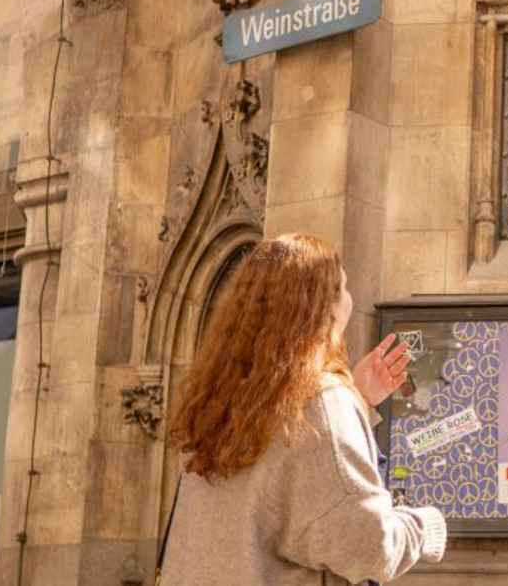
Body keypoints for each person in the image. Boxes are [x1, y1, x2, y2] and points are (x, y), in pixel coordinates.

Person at [159, 233, 448, 585]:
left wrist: (357, 400)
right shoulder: (320, 403)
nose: (350, 299)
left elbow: (284, 497)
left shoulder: (221, 400)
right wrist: (427, 527)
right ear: (322, 308)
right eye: (343, 287)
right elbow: (371, 549)